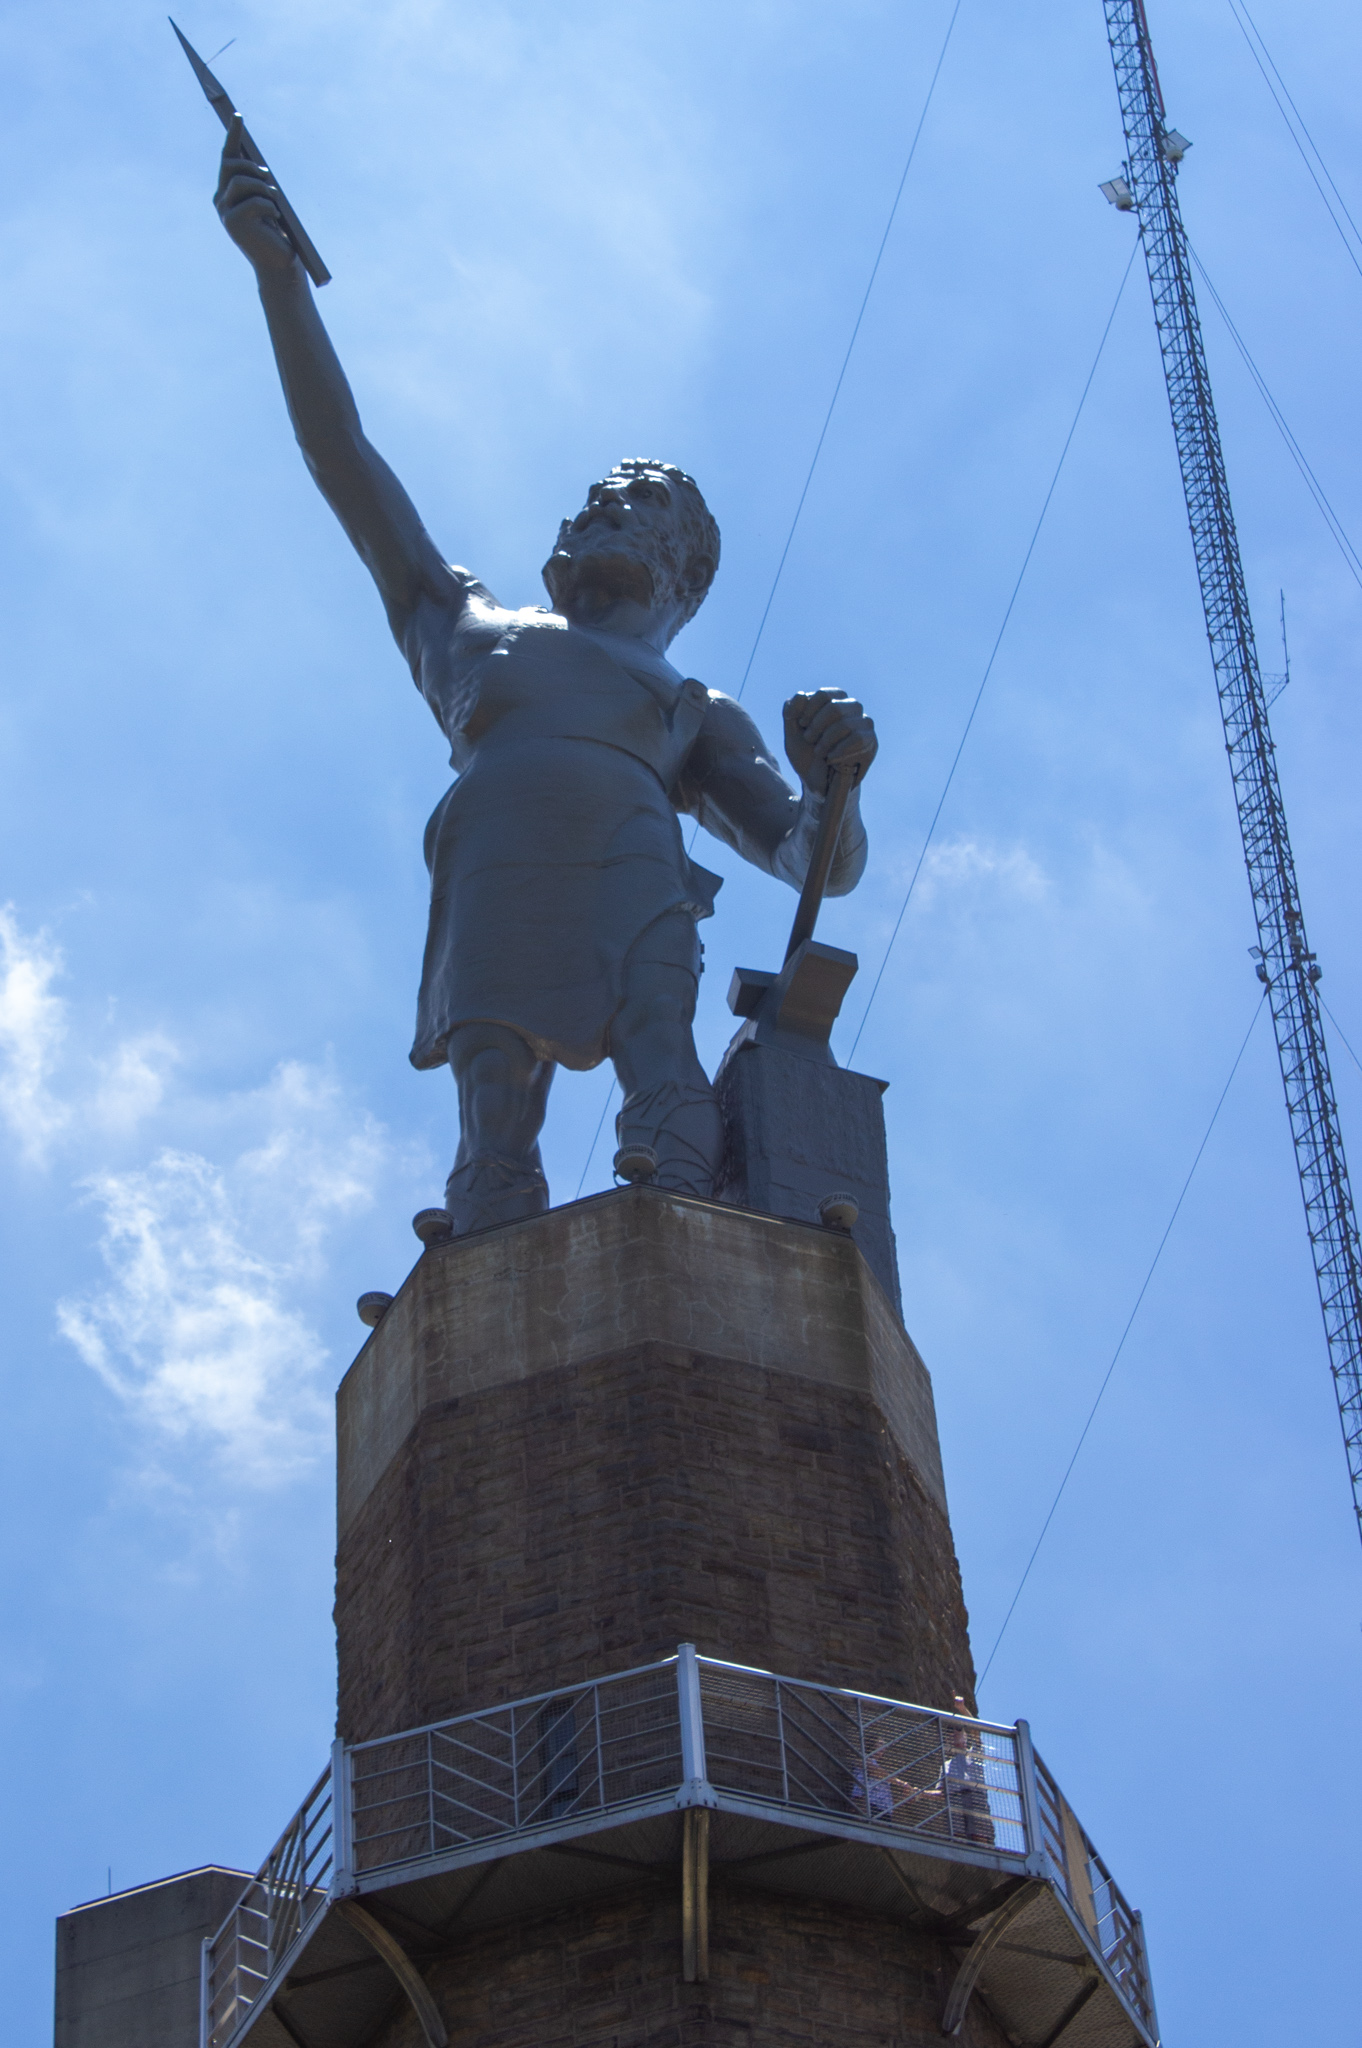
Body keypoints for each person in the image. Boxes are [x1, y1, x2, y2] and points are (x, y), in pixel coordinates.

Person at [210, 123, 879, 1233]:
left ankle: (684, 1233)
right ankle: (485, 1251)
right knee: (491, 1096)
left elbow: (815, 860)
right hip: (495, 861)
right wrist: (281, 281)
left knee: (660, 1051)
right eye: (600, 496)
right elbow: (343, 457)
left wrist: (836, 780)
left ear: (682, 568)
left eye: (644, 504)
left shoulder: (693, 708)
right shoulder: (460, 620)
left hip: (631, 863)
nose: (609, 506)